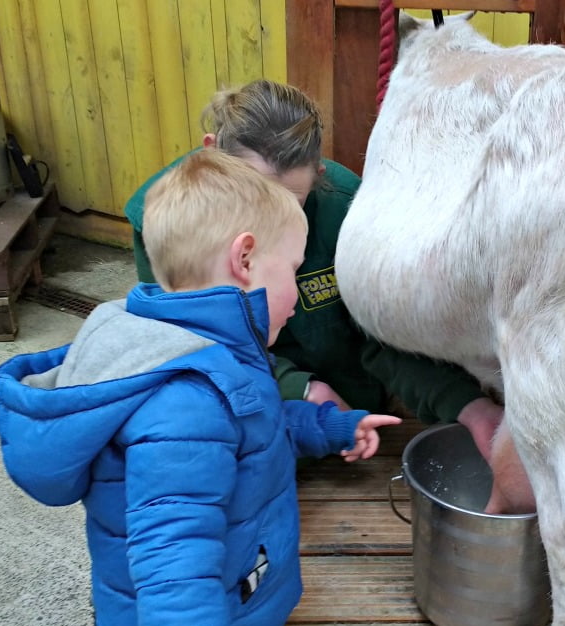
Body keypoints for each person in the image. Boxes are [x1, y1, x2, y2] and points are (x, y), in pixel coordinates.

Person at [0, 149, 402, 626]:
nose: (296, 290)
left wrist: (328, 426)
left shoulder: (209, 352)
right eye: (292, 269)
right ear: (244, 259)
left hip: (237, 605)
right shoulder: (187, 402)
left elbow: (252, 430)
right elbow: (175, 574)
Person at [124, 79, 503, 459]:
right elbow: (191, 344)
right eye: (253, 190)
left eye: (290, 201)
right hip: (239, 430)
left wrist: (467, 405)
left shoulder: (345, 207)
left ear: (318, 174)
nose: (266, 219)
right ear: (212, 153)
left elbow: (384, 334)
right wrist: (300, 389)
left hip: (349, 425)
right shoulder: (163, 221)